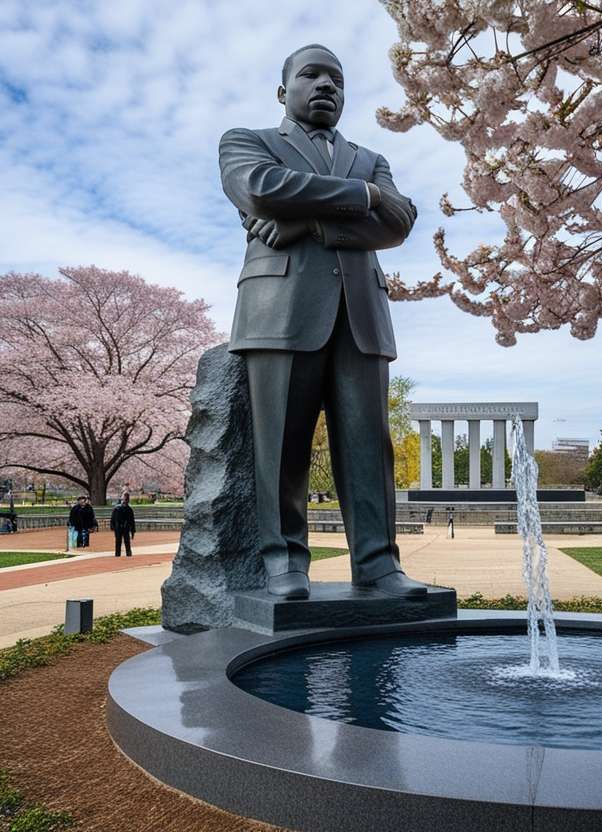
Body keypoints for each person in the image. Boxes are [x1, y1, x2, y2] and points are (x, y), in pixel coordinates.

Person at [218, 44, 427, 600]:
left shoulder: (369, 157)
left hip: (362, 314)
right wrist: (361, 198)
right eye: (310, 75)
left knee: (368, 445)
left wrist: (307, 222)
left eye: (336, 77)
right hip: (279, 311)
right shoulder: (248, 141)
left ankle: (380, 565)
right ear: (282, 90)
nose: (326, 85)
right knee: (281, 443)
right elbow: (261, 188)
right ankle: (284, 563)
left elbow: (399, 221)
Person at [111, 492, 136, 557]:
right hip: (118, 527)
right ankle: (117, 555)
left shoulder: (129, 509)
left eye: (127, 499)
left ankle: (128, 554)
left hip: (126, 528)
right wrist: (113, 527)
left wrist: (133, 531)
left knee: (127, 542)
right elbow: (113, 518)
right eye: (125, 499)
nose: (126, 500)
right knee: (118, 542)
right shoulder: (116, 508)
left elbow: (132, 521)